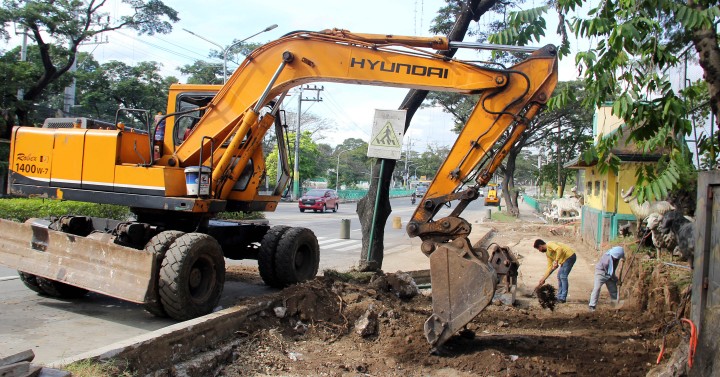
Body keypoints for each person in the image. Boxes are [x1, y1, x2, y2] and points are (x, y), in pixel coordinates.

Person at [533, 239, 577, 303]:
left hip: (569, 256)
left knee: (563, 276)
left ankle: (562, 298)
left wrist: (556, 261)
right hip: (564, 260)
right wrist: (543, 279)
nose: (539, 251)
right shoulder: (548, 254)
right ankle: (559, 296)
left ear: (540, 246)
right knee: (559, 276)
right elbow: (549, 267)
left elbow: (559, 249)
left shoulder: (549, 244)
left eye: (538, 249)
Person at [588, 246, 625, 311]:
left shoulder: (616, 257)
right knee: (597, 288)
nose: (617, 259)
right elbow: (610, 273)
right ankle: (592, 305)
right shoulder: (606, 260)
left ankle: (615, 306)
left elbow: (622, 257)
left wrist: (623, 258)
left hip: (610, 274)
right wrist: (617, 280)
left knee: (613, 290)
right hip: (601, 273)